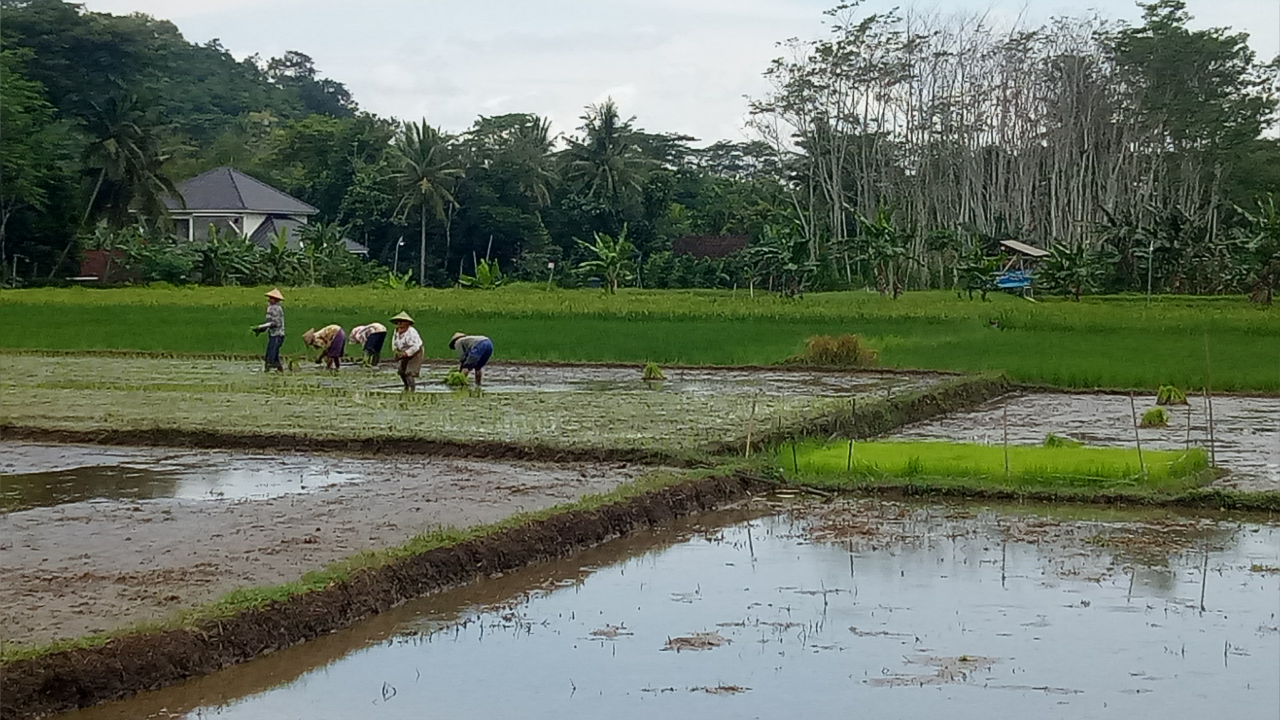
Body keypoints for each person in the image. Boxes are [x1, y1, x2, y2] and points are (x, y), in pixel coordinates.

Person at [251, 288, 285, 372]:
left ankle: (268, 370)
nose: (269, 300)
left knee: (270, 355)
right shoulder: (270, 307)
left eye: (271, 298)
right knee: (274, 354)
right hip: (273, 334)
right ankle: (278, 369)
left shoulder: (276, 309)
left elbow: (275, 323)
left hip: (277, 335)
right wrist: (261, 329)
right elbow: (269, 322)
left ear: (276, 299)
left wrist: (261, 327)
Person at [391, 312, 423, 391]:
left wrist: (406, 353)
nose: (400, 323)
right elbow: (394, 343)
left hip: (415, 352)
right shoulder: (396, 332)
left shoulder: (411, 332)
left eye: (402, 321)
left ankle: (412, 389)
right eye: (398, 322)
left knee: (409, 372)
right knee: (401, 371)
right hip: (403, 352)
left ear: (407, 323)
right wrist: (395, 351)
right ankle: (406, 387)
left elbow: (416, 346)